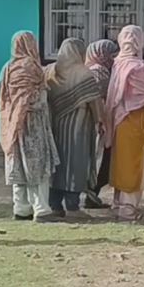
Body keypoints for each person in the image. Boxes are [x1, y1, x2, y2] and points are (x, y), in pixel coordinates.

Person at [0, 31, 60, 222]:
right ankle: (41, 208)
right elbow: (39, 98)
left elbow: (2, 98)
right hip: (33, 123)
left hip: (12, 124)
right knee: (37, 164)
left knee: (17, 164)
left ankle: (21, 208)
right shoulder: (33, 67)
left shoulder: (7, 68)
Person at [106, 25, 144, 221]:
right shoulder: (138, 68)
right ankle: (128, 208)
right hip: (138, 122)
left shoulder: (117, 64)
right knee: (136, 164)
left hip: (120, 121)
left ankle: (119, 204)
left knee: (121, 161)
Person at [46, 38, 102, 219]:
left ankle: (54, 205)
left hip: (53, 128)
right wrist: (101, 122)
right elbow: (95, 104)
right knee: (75, 165)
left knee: (56, 165)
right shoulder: (84, 74)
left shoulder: (50, 71)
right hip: (77, 130)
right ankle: (72, 206)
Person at [83, 39, 119, 209]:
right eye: (111, 54)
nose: (114, 57)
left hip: (100, 122)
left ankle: (92, 196)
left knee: (102, 162)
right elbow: (99, 99)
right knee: (99, 161)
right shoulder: (98, 72)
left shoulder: (99, 70)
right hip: (99, 123)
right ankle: (91, 195)